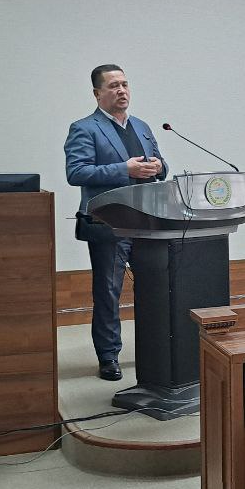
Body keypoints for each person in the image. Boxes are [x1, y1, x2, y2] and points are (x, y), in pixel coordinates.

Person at [64, 64, 167, 381]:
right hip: (108, 223)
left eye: (124, 84)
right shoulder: (85, 128)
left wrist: (159, 167)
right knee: (109, 292)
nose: (121, 90)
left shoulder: (142, 126)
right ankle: (108, 356)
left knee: (155, 288)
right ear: (97, 93)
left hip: (146, 222)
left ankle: (155, 349)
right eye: (113, 86)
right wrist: (125, 169)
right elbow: (76, 172)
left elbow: (161, 166)